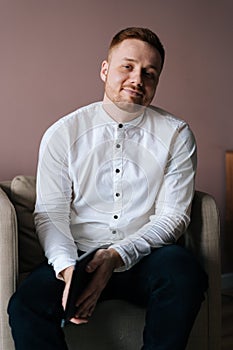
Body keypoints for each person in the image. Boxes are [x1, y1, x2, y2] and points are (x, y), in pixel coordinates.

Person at [8, 27, 208, 350]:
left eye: (150, 73)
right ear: (105, 70)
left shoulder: (177, 135)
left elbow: (173, 217)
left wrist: (116, 256)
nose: (137, 79)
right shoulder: (62, 133)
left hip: (145, 259)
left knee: (184, 273)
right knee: (25, 306)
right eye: (127, 67)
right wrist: (66, 269)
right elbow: (50, 214)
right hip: (77, 259)